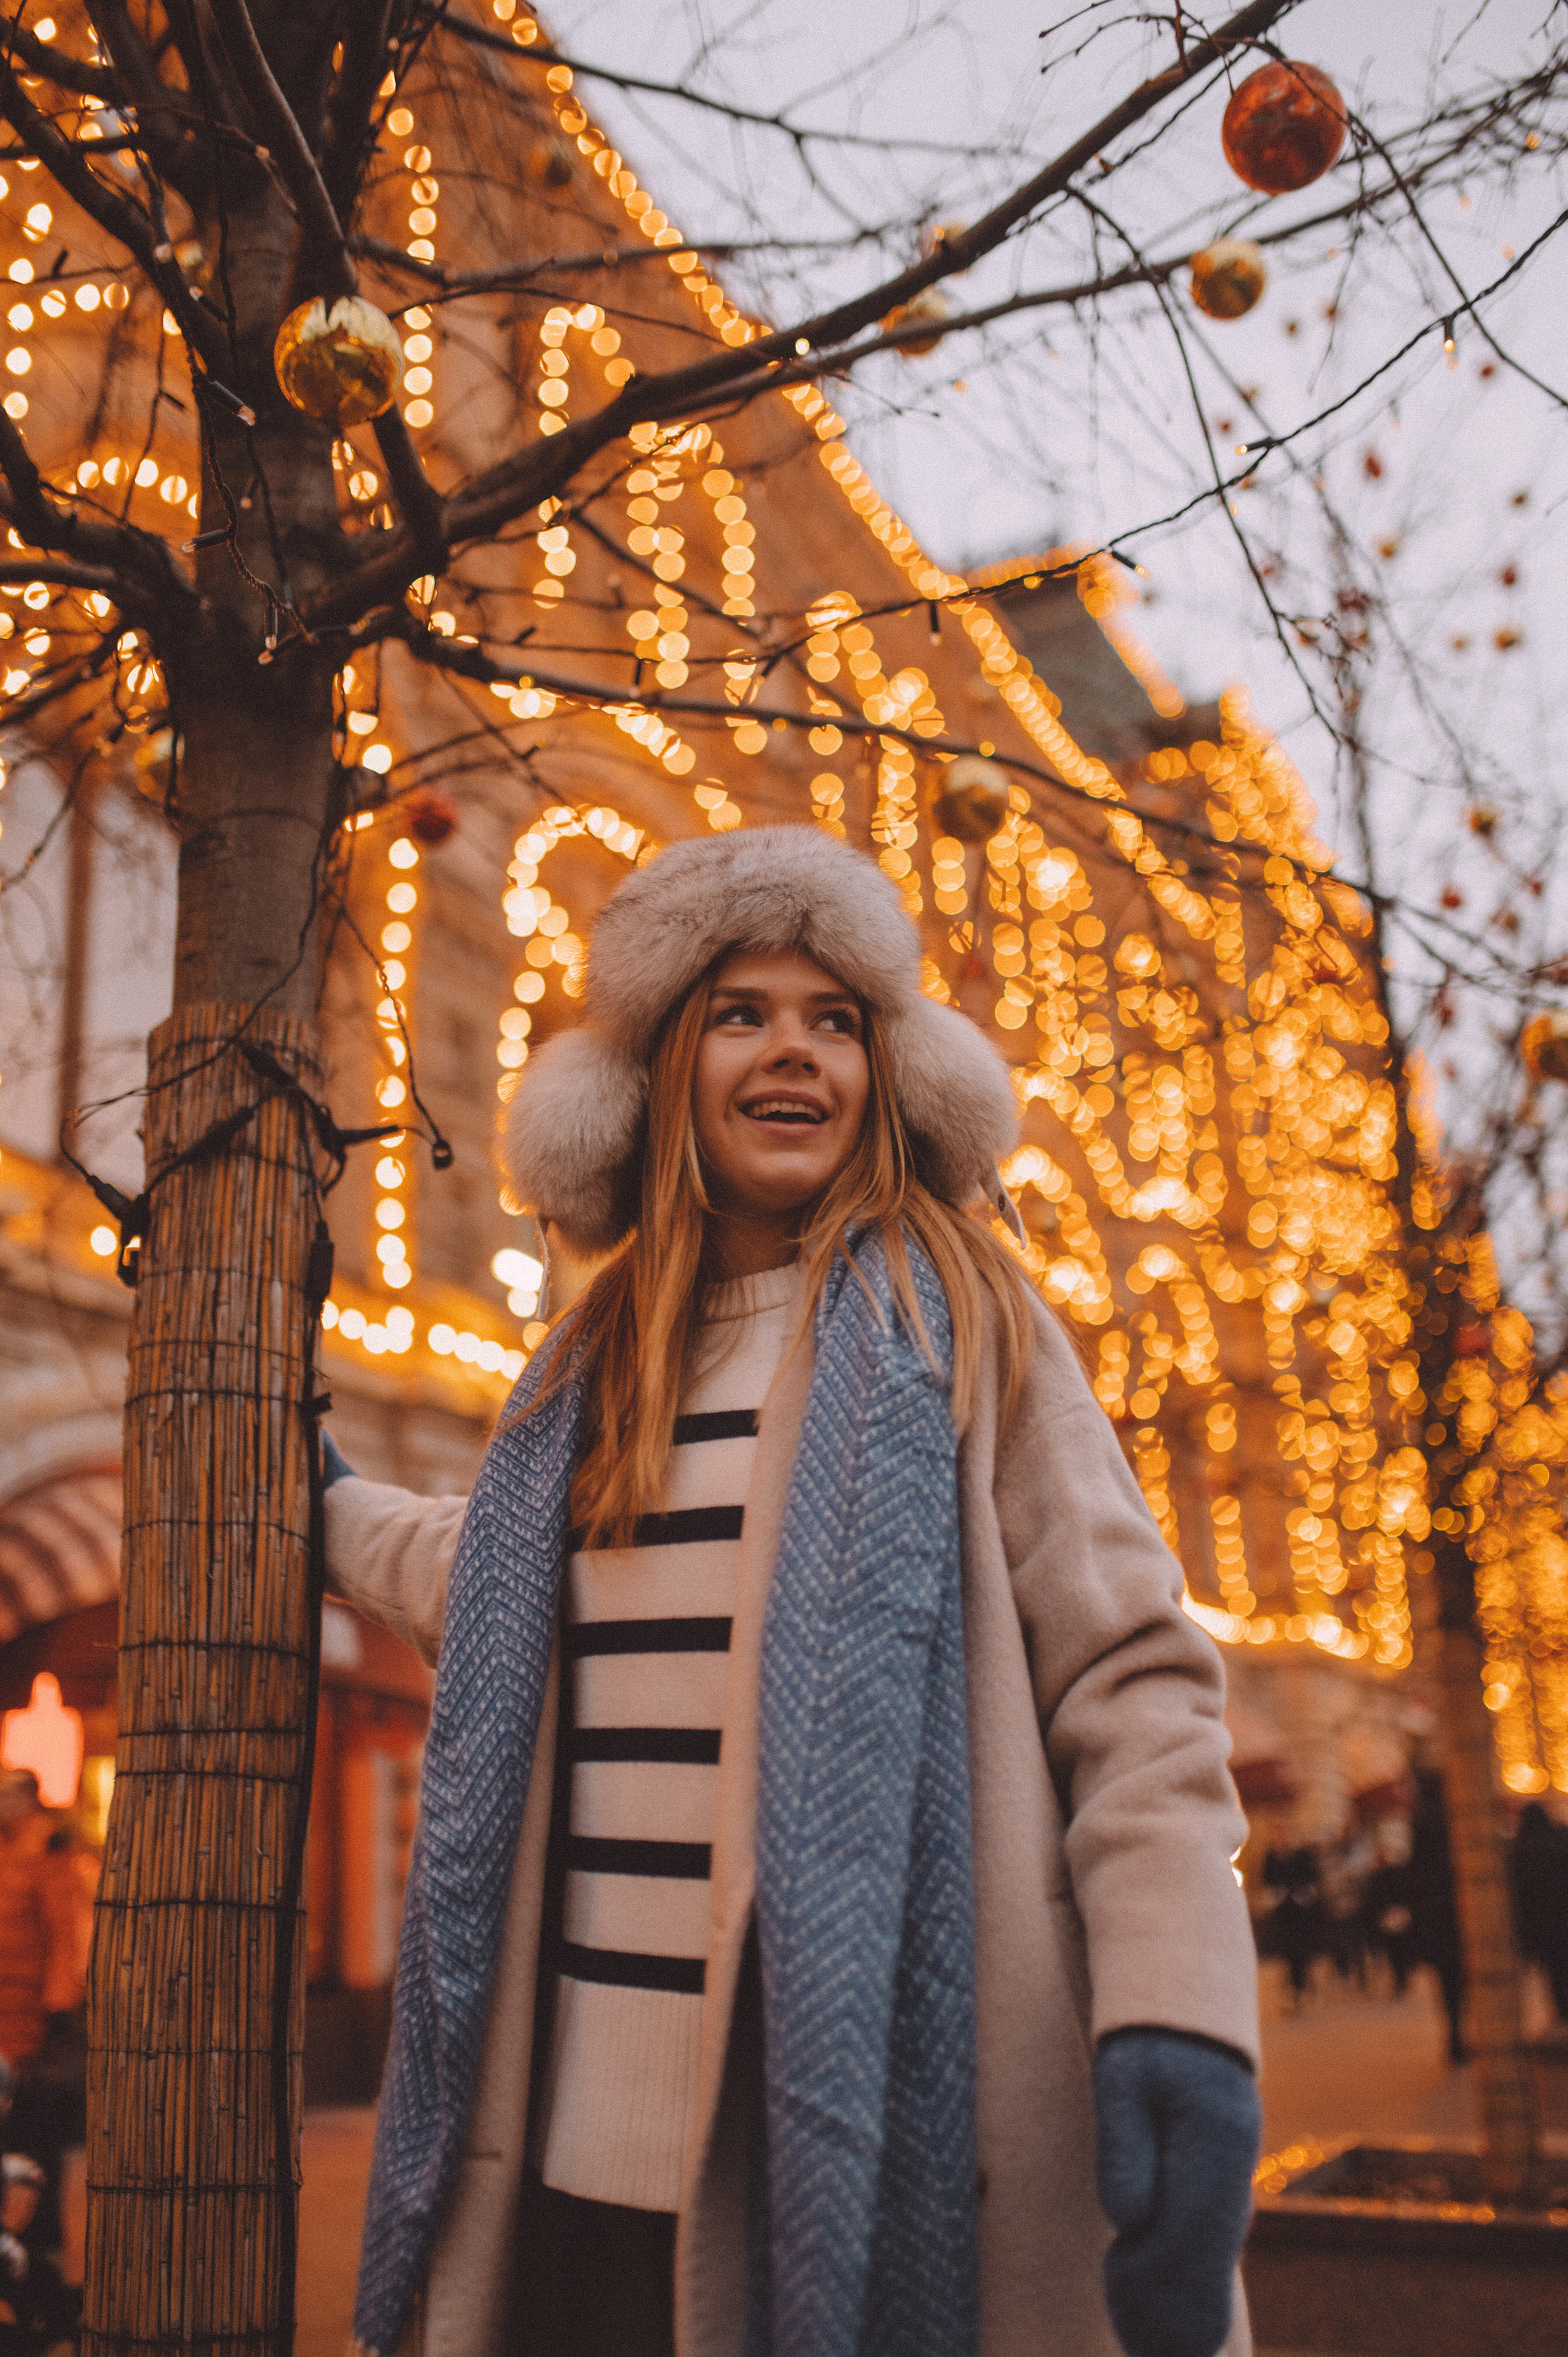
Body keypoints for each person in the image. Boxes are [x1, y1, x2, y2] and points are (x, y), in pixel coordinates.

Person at [326, 828, 1261, 2357]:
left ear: (884, 1071)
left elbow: (1132, 1679)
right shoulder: (587, 1361)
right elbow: (521, 1598)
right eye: (744, 1011)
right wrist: (332, 1508)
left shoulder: (962, 1315)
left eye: (836, 1019)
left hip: (868, 2129)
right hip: (565, 2154)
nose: (795, 1053)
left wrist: (1175, 2007)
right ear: (665, 1063)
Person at [1512, 1800, 1568, 2024]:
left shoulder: (1521, 1848)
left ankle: (1563, 2012)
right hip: (1564, 1915)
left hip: (1543, 1925)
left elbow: (1520, 1893)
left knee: (1555, 1972)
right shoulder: (1561, 1840)